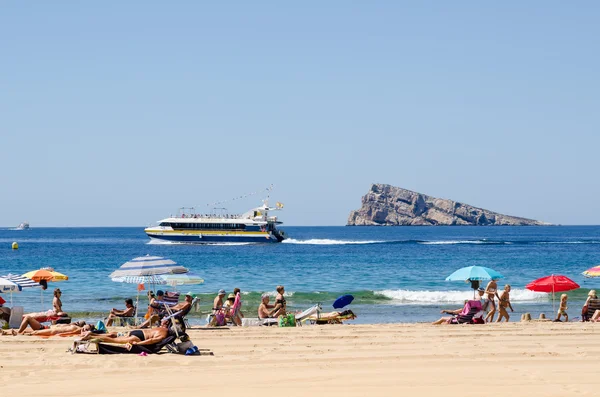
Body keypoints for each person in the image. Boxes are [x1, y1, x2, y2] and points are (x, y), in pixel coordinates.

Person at [79, 323, 171, 350]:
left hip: (138, 331)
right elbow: (151, 340)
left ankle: (93, 334)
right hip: (140, 337)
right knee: (114, 341)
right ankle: (90, 337)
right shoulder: (163, 335)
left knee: (115, 337)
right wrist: (138, 343)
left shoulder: (161, 328)